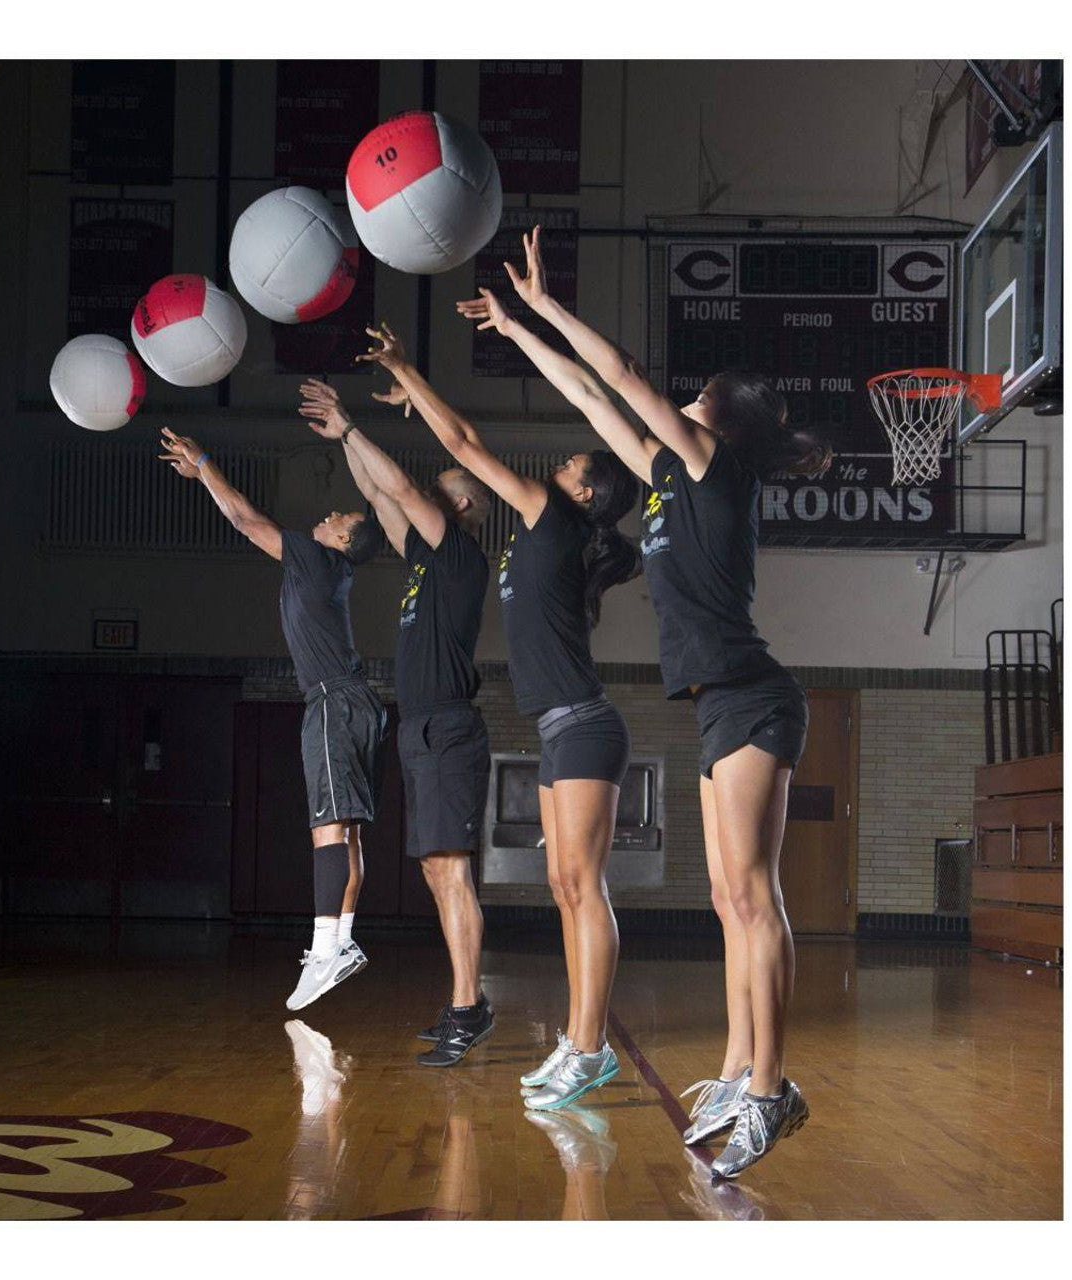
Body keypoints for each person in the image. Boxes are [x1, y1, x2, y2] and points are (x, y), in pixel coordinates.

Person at [462, 227, 830, 1176]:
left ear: (719, 420)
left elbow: (621, 373)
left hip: (754, 697)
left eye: (699, 392)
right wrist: (515, 332)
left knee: (753, 898)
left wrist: (547, 304)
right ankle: (738, 1070)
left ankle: (770, 1091)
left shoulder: (718, 466)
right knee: (724, 897)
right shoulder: (671, 477)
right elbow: (593, 392)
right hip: (718, 705)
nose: (682, 396)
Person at [356, 321, 641, 1112]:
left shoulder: (553, 518)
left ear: (584, 493)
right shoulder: (543, 535)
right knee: (562, 885)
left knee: (584, 888)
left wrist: (409, 368)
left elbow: (463, 436)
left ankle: (590, 1047)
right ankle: (578, 1044)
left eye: (574, 462)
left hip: (585, 726)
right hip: (558, 732)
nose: (561, 462)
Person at [297, 377, 496, 1067]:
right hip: (420, 731)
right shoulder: (423, 560)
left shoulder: (460, 555)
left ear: (463, 506)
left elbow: (403, 491)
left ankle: (470, 1008)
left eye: (442, 489)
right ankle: (463, 999)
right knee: (438, 876)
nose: (426, 495)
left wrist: (353, 426)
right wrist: (342, 441)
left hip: (447, 728)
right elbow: (385, 497)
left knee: (450, 871)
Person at [159, 427, 386, 1012]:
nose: (331, 511)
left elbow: (244, 519)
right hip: (354, 701)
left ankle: (325, 948)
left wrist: (205, 459)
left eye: (342, 515)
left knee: (328, 830)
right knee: (348, 830)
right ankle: (340, 941)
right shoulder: (330, 572)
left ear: (342, 538)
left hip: (334, 702)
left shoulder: (315, 560)